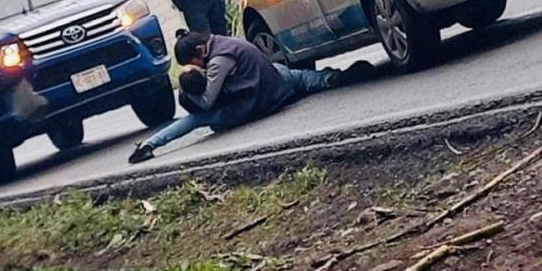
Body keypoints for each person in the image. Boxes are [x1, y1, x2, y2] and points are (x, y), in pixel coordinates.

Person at [128, 31, 373, 163]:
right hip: (276, 80)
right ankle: (339, 77)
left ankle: (150, 144)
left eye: (193, 63)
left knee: (197, 120)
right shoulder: (223, 41)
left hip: (255, 102)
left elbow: (208, 101)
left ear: (199, 52)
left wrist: (187, 91)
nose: (198, 66)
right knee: (303, 78)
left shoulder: (218, 61)